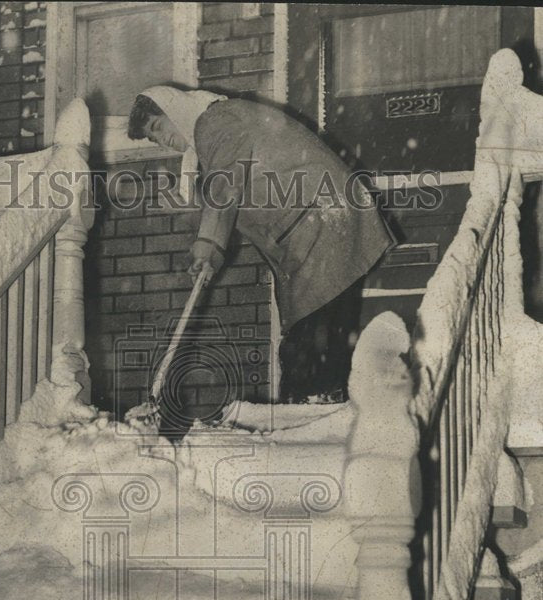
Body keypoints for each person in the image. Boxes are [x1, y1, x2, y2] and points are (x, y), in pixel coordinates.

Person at [128, 86, 394, 404]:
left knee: (308, 345)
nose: (163, 141)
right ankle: (321, 414)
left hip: (321, 219)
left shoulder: (213, 121)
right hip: (324, 221)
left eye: (159, 127)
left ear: (174, 109)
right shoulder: (219, 129)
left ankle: (308, 421)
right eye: (155, 140)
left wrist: (208, 245)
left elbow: (224, 188)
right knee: (321, 340)